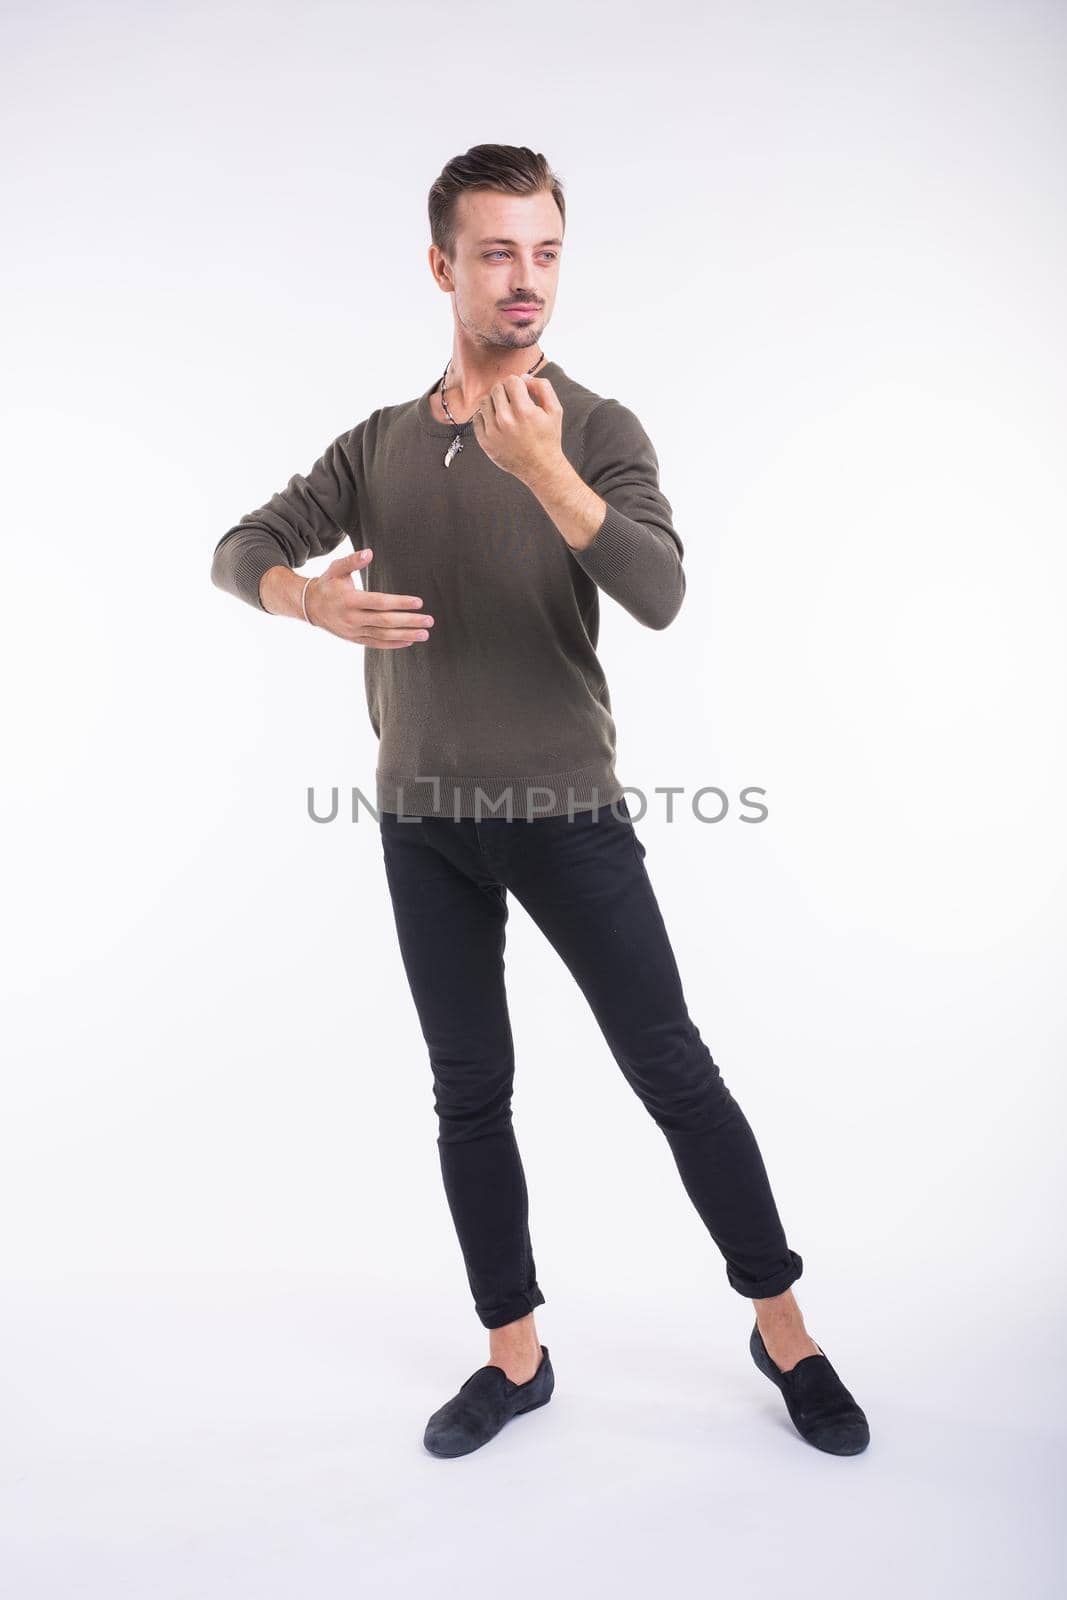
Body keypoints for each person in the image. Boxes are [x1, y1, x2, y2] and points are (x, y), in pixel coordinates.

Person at [211, 144, 870, 1460]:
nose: (528, 281)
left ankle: (782, 1328)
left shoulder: (601, 429)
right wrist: (308, 599)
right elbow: (239, 551)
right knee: (469, 1094)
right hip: (420, 823)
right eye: (499, 252)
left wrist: (550, 475)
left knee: (673, 1071)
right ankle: (516, 1358)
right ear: (444, 264)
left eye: (548, 252)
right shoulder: (376, 446)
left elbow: (660, 591)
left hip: (569, 817)